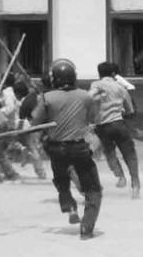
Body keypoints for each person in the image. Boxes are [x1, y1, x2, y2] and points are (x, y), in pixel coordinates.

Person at [31, 58, 102, 239]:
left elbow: (35, 121)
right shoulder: (85, 96)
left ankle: (69, 206)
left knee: (62, 181)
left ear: (54, 79)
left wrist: (45, 105)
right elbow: (93, 119)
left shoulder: (47, 97)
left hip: (55, 149)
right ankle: (86, 228)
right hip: (79, 148)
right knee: (93, 190)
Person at [90, 61, 141, 198]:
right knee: (129, 154)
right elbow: (130, 110)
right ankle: (135, 184)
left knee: (109, 152)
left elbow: (89, 98)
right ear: (114, 74)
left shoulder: (97, 85)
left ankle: (120, 176)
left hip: (102, 126)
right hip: (118, 123)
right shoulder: (121, 87)